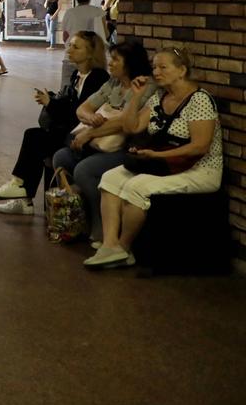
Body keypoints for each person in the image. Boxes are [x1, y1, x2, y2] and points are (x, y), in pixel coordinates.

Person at [85, 48, 223, 269]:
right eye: (154, 67)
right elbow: (132, 126)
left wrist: (157, 155)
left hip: (199, 170)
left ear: (182, 71)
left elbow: (199, 147)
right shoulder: (160, 96)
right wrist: (137, 95)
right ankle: (110, 245)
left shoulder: (200, 100)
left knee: (136, 186)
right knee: (110, 179)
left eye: (163, 67)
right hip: (163, 163)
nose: (156, 72)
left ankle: (124, 247)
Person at [0, 31, 109, 214]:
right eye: (70, 45)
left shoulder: (98, 78)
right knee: (35, 137)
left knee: (35, 137)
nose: (69, 50)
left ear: (91, 53)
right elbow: (71, 106)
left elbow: (78, 113)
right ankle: (23, 194)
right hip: (68, 129)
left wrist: (50, 103)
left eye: (76, 47)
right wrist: (53, 100)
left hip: (82, 135)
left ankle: (22, 190)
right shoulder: (78, 74)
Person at [49, 40, 154, 243]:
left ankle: (101, 224)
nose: (110, 63)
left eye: (116, 59)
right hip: (100, 144)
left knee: (84, 170)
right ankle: (78, 214)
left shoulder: (145, 87)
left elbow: (125, 123)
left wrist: (89, 133)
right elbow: (82, 109)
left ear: (130, 63)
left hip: (126, 149)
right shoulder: (112, 83)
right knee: (61, 157)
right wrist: (91, 119)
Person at [58, 0, 108, 88]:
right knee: (92, 90)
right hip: (93, 59)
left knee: (66, 89)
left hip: (70, 58)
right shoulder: (99, 12)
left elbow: (65, 36)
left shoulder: (70, 13)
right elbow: (105, 34)